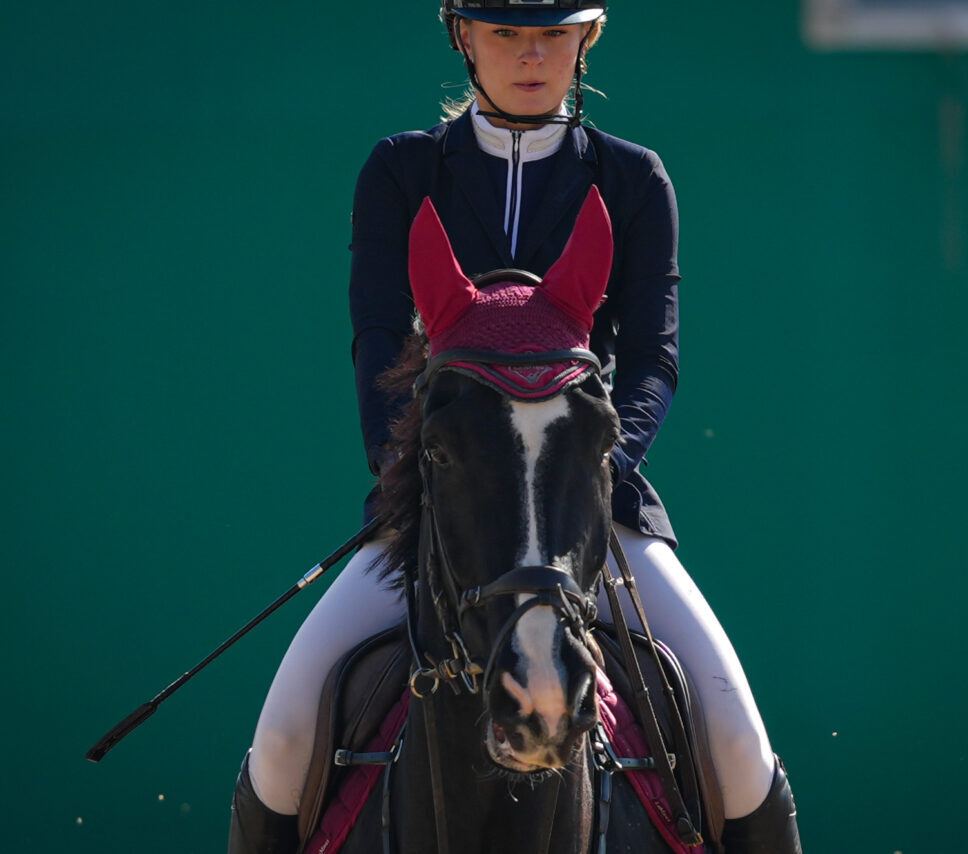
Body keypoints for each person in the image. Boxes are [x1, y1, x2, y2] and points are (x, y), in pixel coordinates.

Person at [228, 2, 802, 852]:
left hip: (590, 509)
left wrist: (587, 474)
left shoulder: (634, 178)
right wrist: (416, 479)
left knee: (738, 744)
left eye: (554, 34)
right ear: (463, 36)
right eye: (505, 33)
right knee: (279, 746)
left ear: (586, 40)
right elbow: (379, 345)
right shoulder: (401, 171)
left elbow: (653, 361)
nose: (532, 55)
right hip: (441, 507)